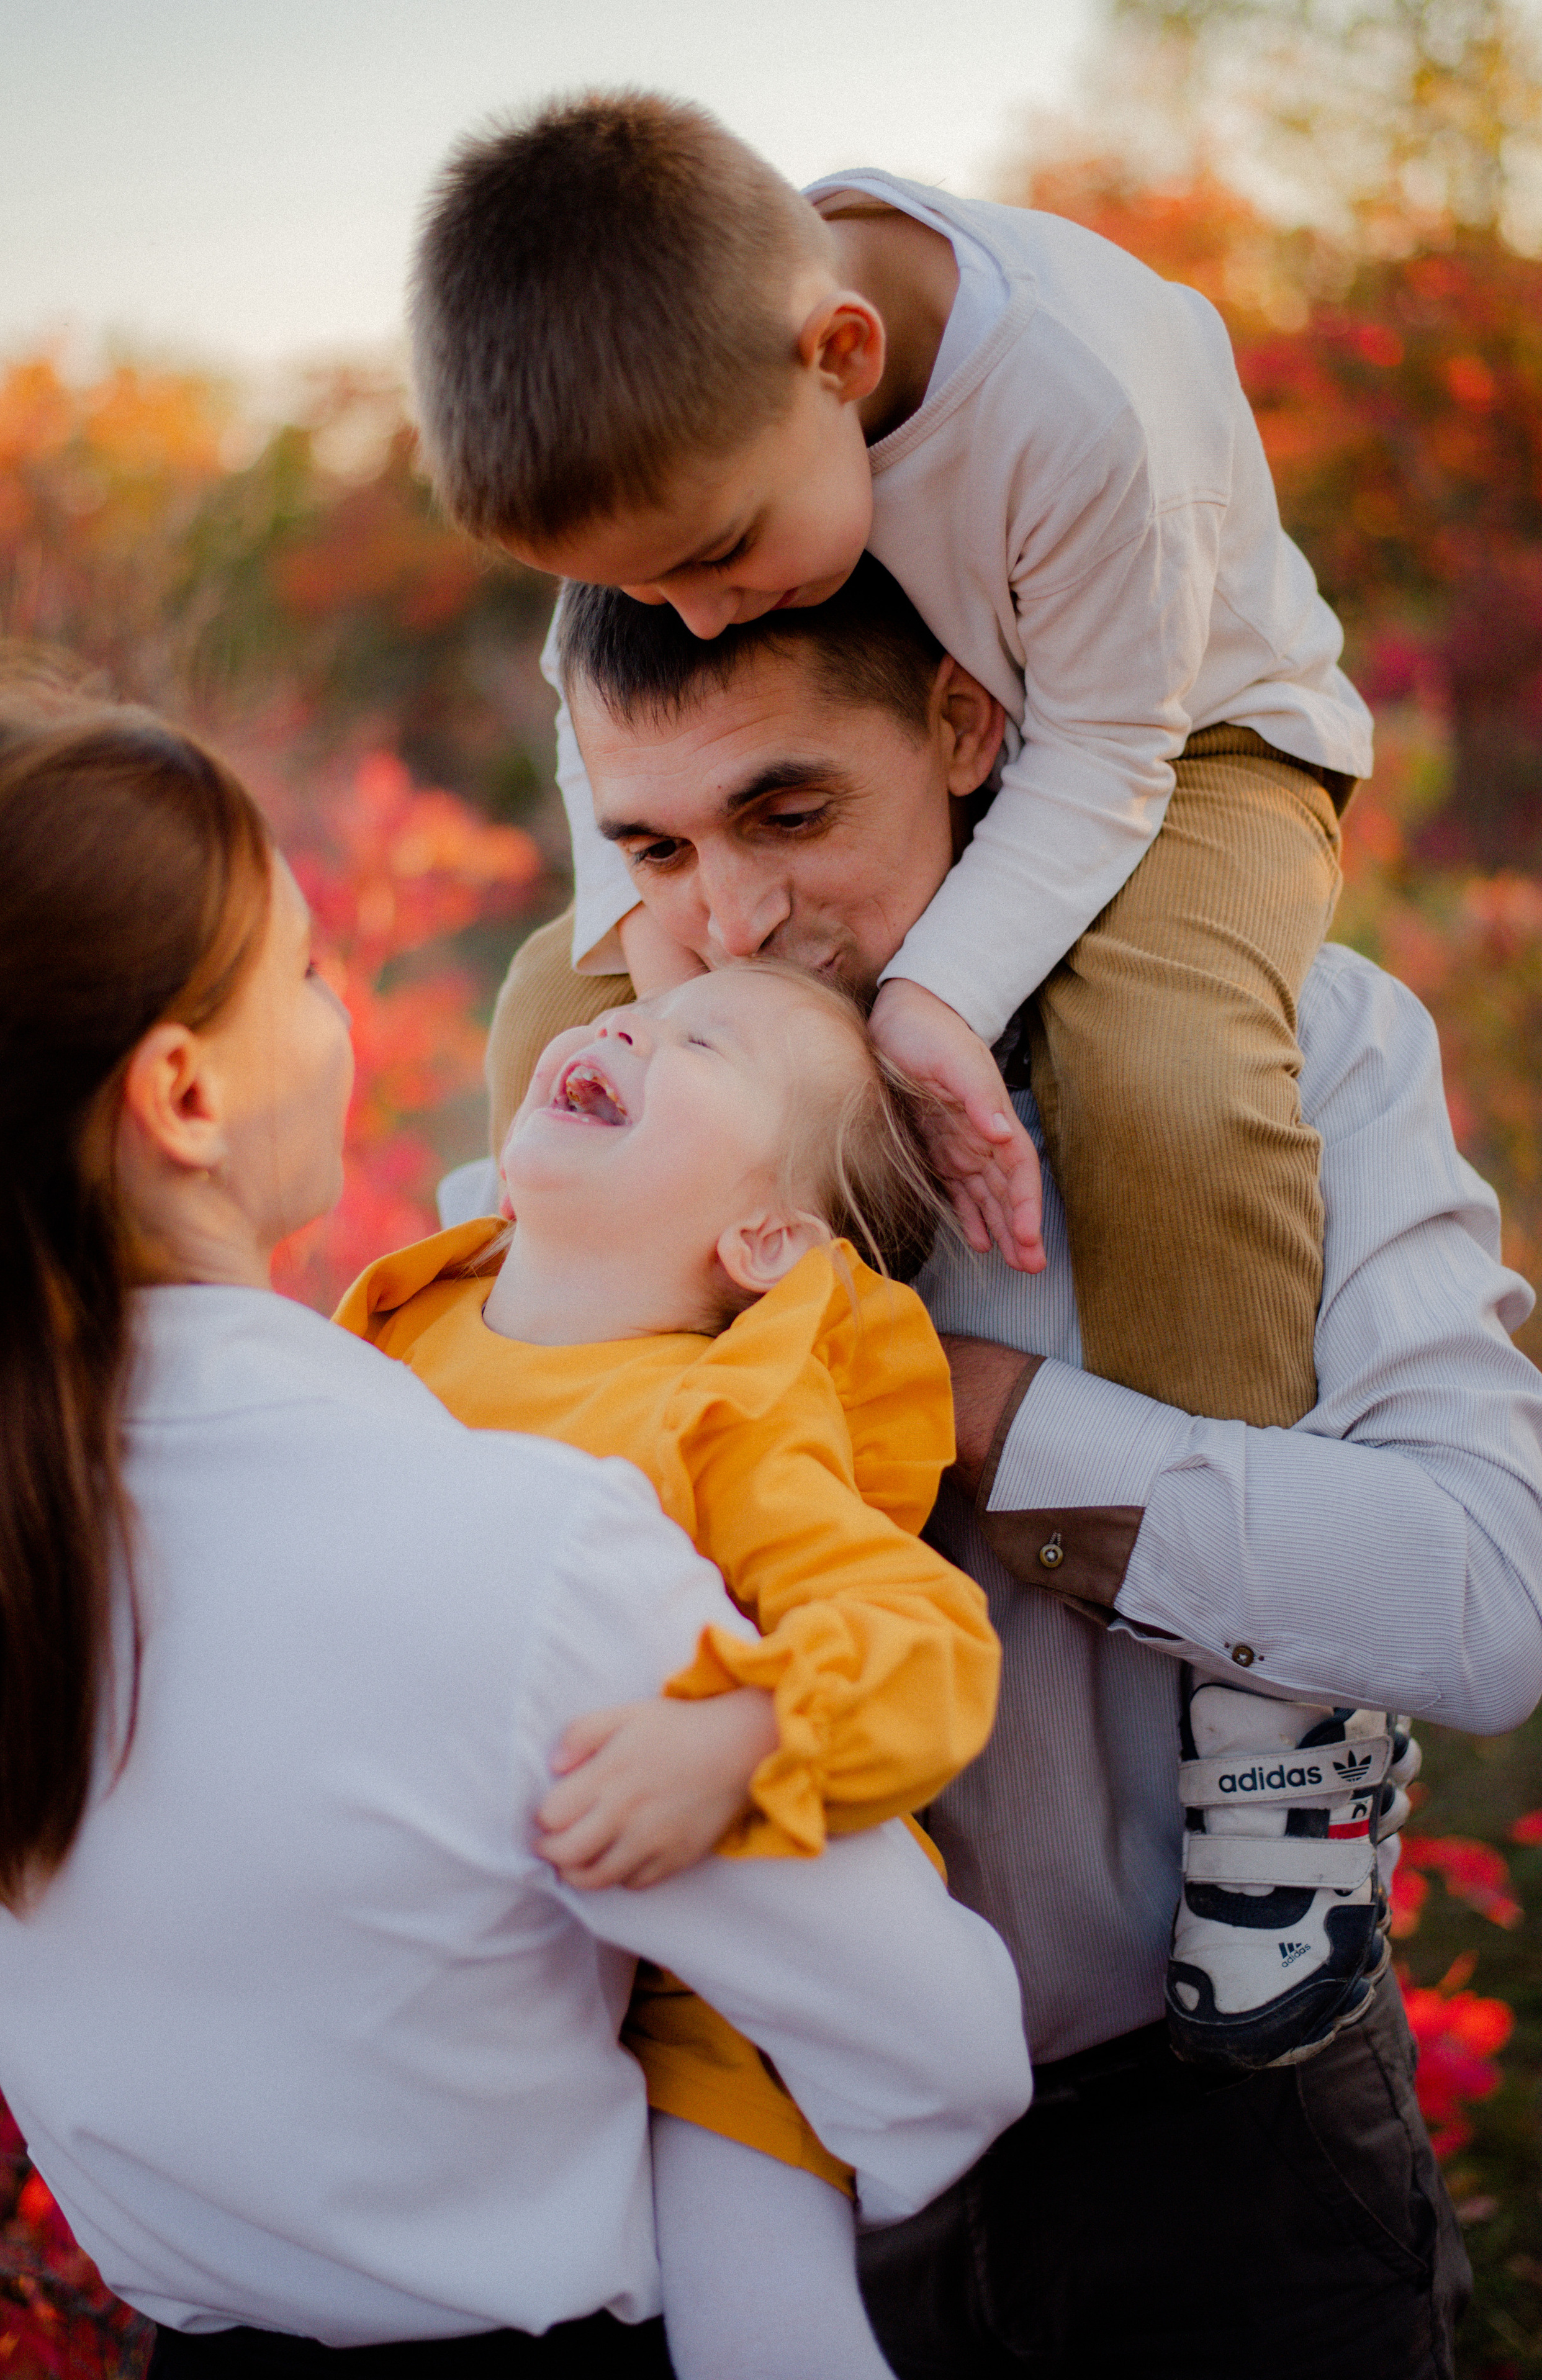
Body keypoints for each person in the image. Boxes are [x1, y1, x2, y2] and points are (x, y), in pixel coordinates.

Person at [435, 574, 1542, 2378]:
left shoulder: (1285, 1051)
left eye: (791, 812)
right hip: (735, 2163)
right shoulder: (581, 1128)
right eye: (652, 847)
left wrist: (999, 1417)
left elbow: (1492, 1594)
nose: (731, 921)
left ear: (965, 732)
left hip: (1222, 2161)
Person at [408, 92, 1378, 2067]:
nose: (694, 609)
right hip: (794, 2049)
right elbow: (619, 742)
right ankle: (573, 1525)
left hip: (1190, 738)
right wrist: (644, 951)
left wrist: (929, 1007)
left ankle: (1282, 1738)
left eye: (715, 562)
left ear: (844, 362)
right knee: (546, 1004)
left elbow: (1107, 759)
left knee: (1165, 1069)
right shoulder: (681, 426)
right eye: (649, 595)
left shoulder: (1074, 408)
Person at [0, 678, 1033, 2376]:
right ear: (181, 1094)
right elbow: (946, 2056)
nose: (341, 1007)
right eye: (307, 972)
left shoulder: (12, 1521)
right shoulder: (527, 1549)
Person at [337, 959, 1001, 2380]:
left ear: (764, 1236)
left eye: (705, 1039)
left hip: (702, 2010)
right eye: (634, 1007)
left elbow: (923, 1637)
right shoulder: (393, 1330)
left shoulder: (724, 1414)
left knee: (766, 2334)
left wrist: (746, 1735)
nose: (625, 1019)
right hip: (460, 1955)